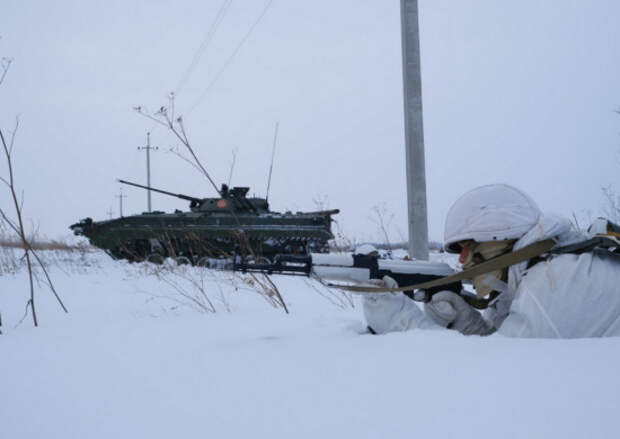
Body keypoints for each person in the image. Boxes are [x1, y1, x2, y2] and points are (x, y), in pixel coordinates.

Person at [362, 184, 620, 338]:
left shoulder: (555, 281)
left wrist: (401, 323)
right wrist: (465, 322)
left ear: (497, 239)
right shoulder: (538, 273)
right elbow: (502, 346)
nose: (462, 261)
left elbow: (498, 375)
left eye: (467, 248)